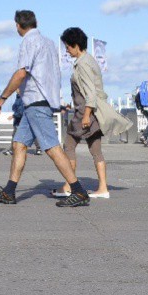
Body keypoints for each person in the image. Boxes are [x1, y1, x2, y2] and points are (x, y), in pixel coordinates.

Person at [0, 10, 89, 208]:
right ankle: (9, 192)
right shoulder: (49, 43)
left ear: (18, 25)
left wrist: (2, 98)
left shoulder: (28, 42)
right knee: (19, 144)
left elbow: (21, 73)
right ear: (36, 22)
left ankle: (78, 191)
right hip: (41, 101)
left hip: (36, 101)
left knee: (52, 147)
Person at [57, 27, 110, 198]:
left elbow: (90, 93)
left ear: (76, 45)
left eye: (68, 46)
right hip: (94, 112)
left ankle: (69, 186)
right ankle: (103, 188)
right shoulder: (90, 60)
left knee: (69, 146)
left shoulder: (83, 64)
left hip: (84, 112)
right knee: (96, 150)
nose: (67, 50)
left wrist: (86, 115)